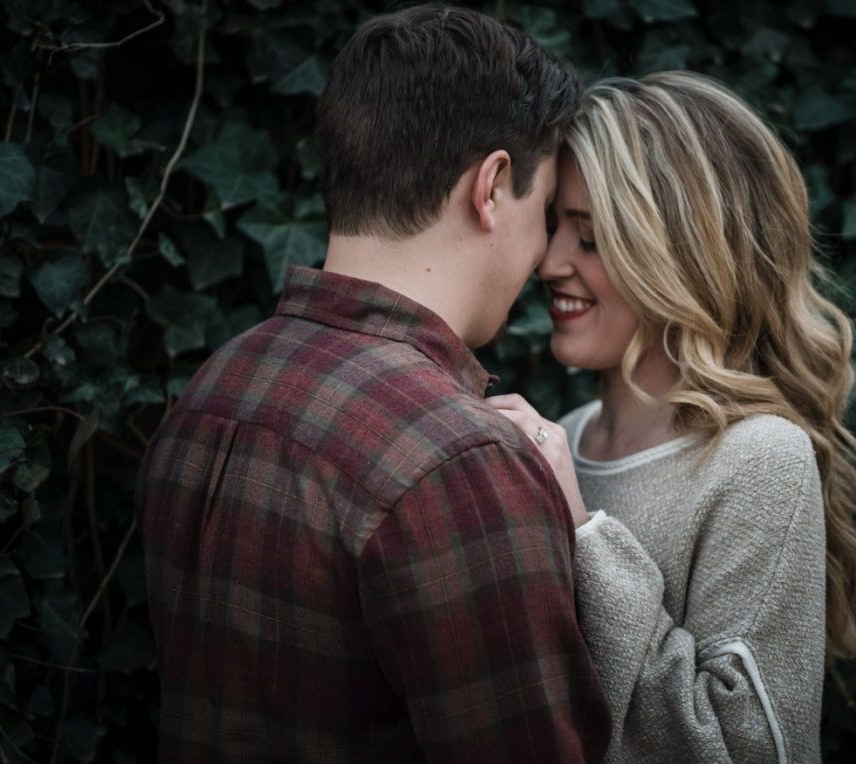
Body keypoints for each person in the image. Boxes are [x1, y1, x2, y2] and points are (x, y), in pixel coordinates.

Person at [138, 5, 610, 760]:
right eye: (545, 210)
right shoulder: (461, 460)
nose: (546, 254)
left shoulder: (215, 388)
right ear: (490, 188)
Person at [490, 71, 856, 763]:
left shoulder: (759, 459)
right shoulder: (568, 435)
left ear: (678, 256)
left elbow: (749, 751)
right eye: (554, 226)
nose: (548, 263)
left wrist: (586, 535)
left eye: (588, 238)